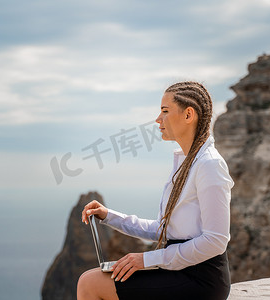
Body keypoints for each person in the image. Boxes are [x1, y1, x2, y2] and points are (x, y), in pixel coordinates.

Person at [77, 81, 234, 300]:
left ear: (189, 115)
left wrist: (147, 259)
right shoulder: (187, 163)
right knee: (91, 278)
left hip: (200, 279)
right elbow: (163, 230)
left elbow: (216, 240)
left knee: (90, 283)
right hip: (179, 269)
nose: (158, 119)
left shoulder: (209, 164)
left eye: (165, 111)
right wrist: (109, 216)